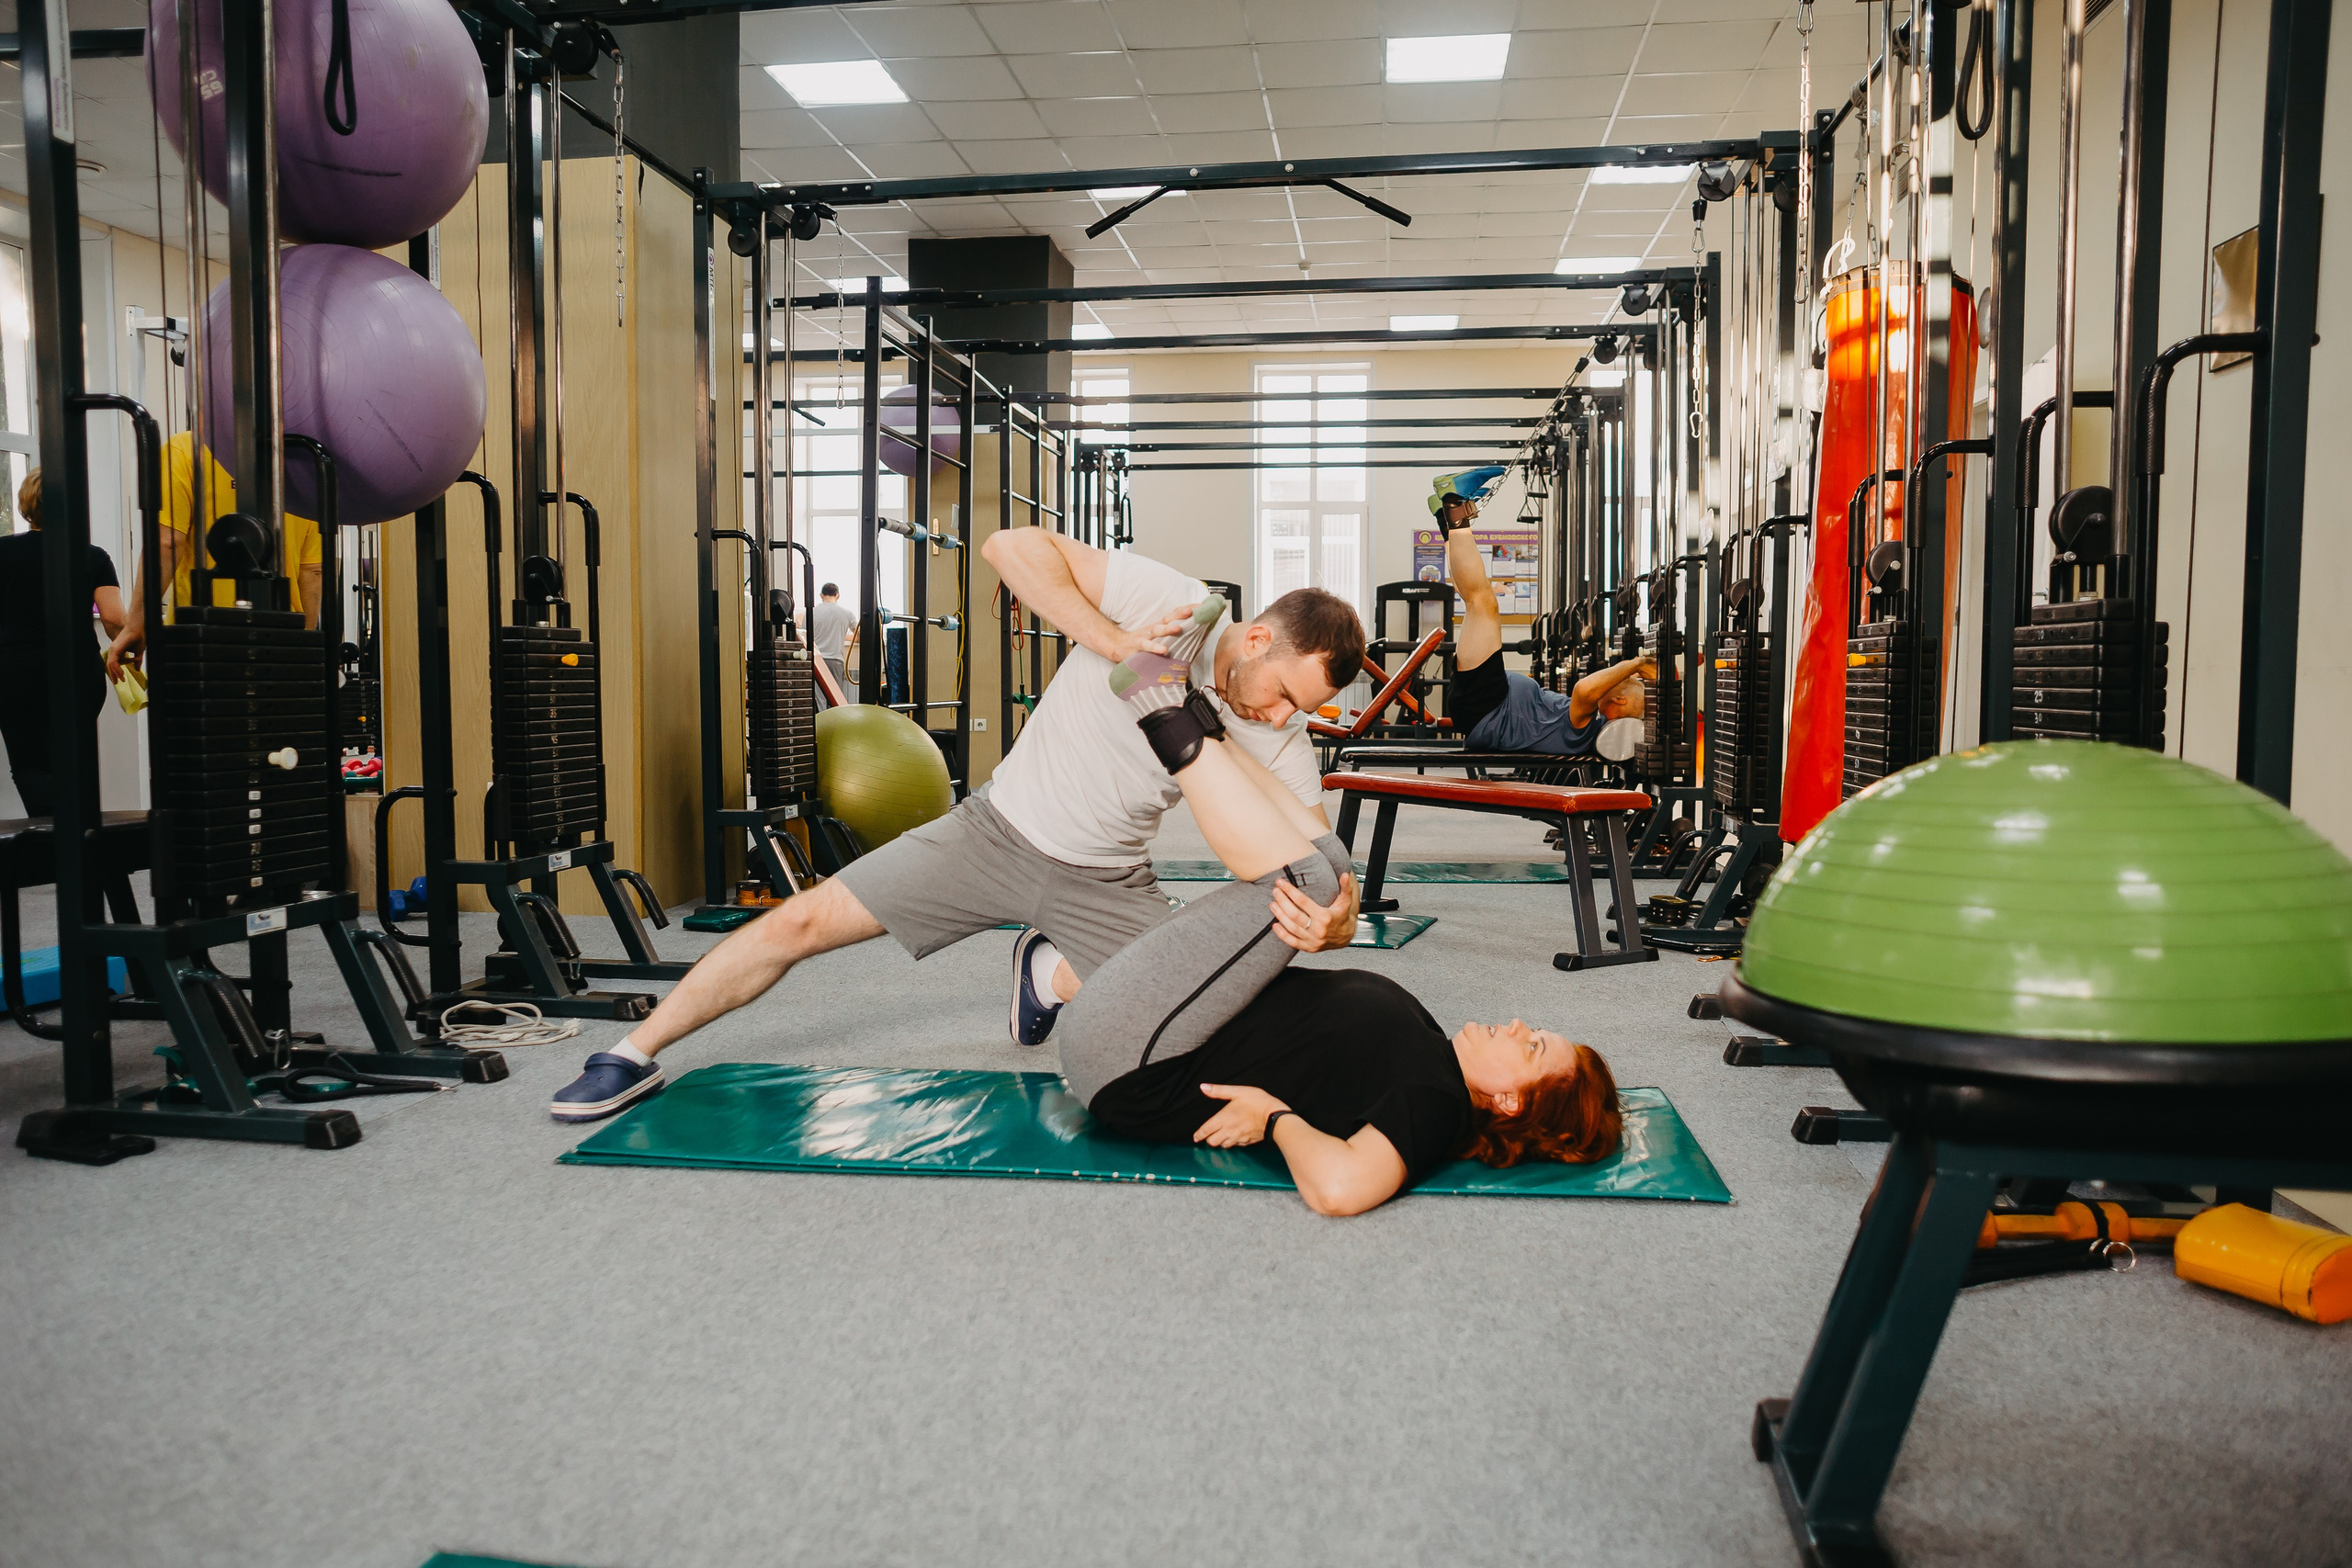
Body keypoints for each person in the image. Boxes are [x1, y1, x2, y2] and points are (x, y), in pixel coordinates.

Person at [546, 536, 1369, 1122]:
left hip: (1110, 879)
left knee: (1202, 1018)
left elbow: (1320, 858)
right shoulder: (1166, 599)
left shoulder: (1281, 735)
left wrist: (1340, 918)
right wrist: (1118, 642)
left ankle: (1050, 976)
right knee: (801, 921)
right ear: (1256, 638)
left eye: (1301, 710)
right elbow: (1009, 546)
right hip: (992, 835)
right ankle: (632, 1052)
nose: (1282, 716)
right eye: (1285, 694)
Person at [1057, 649, 1623, 1216]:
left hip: (1132, 1063)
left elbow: (1341, 1189)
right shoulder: (1432, 1054)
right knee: (1334, 870)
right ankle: (1202, 716)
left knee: (1308, 884)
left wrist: (1273, 1117)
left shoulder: (1435, 1103)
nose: (1519, 1025)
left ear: (1509, 1102)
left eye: (1531, 1046)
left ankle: (1161, 708)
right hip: (1151, 1026)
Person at [1434, 468, 1652, 759]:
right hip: (1489, 703)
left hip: (1489, 708)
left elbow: (1585, 689)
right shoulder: (1587, 722)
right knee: (1477, 601)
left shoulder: (1586, 725)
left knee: (1482, 602)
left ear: (1620, 700)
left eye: (1614, 685)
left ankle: (1454, 504)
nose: (1606, 684)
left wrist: (1637, 663)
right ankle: (1447, 519)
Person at [104, 431, 323, 681]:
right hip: (281, 640)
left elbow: (167, 543)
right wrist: (304, 646)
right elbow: (313, 570)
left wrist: (136, 625)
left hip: (201, 639)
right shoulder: (301, 461)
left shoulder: (187, 448)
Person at [0, 469, 128, 814]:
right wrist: (125, 650)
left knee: (29, 764)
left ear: (26, 504)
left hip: (15, 673)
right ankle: (81, 837)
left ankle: (49, 836)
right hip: (77, 671)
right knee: (75, 759)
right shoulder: (92, 556)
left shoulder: (2, 551)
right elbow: (114, 619)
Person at [808, 582, 855, 700]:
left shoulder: (811, 612)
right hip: (835, 661)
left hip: (816, 661)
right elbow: (859, 636)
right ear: (838, 595)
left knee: (818, 699)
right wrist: (841, 635)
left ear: (821, 595)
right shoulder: (847, 613)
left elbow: (804, 635)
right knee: (835, 698)